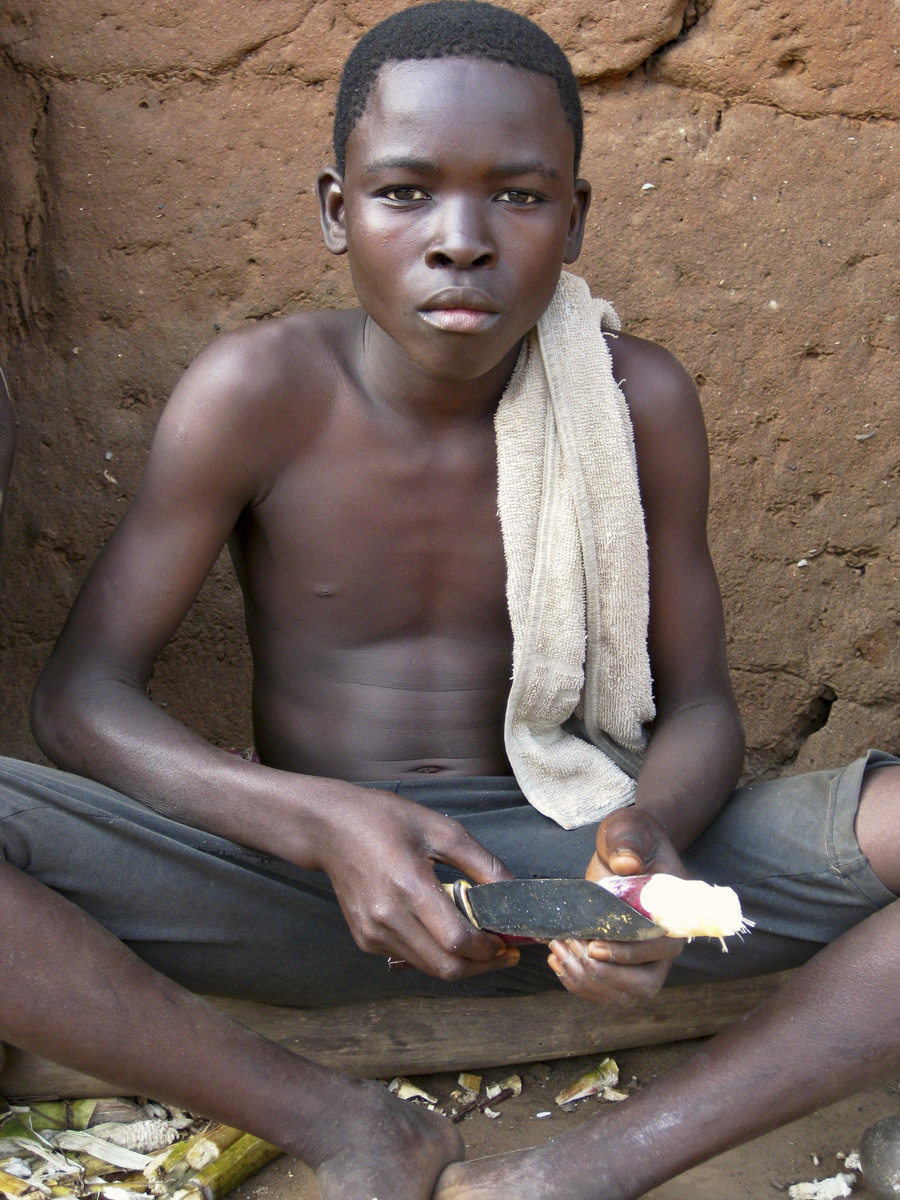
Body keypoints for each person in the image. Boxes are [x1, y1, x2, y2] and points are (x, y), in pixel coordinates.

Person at [0, 3, 896, 1197]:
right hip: (299, 890)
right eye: (405, 193)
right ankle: (345, 1123)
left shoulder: (638, 403)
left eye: (518, 196)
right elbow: (79, 701)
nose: (460, 241)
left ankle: (584, 1169)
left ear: (575, 218)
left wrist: (643, 851)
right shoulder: (257, 391)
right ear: (337, 211)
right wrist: (315, 821)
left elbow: (702, 708)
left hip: (579, 879)